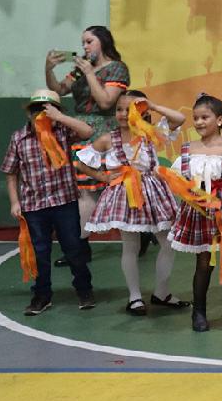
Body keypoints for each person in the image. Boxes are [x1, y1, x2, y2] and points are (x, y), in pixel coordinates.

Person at [78, 90, 186, 315]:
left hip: (153, 193)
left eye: (129, 109)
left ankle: (162, 292)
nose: (123, 114)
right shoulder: (108, 139)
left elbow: (180, 118)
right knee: (130, 246)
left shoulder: (151, 134)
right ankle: (134, 297)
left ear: (142, 112)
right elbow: (79, 163)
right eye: (119, 109)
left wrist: (152, 106)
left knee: (168, 242)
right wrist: (101, 176)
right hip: (125, 193)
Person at [1, 89, 96, 315]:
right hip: (34, 206)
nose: (40, 114)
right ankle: (42, 296)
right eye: (36, 109)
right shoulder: (19, 138)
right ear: (29, 113)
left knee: (74, 249)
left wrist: (60, 117)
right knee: (40, 253)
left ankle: (84, 290)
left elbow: (87, 131)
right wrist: (15, 202)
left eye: (46, 109)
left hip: (64, 202)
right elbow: (11, 173)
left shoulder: (62, 131)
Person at [166, 93, 222, 332]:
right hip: (199, 211)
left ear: (220, 120)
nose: (199, 122)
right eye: (195, 118)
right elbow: (180, 181)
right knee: (203, 262)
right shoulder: (188, 148)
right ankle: (199, 311)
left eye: (205, 117)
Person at [43, 25, 131, 263]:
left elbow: (106, 102)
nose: (85, 46)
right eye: (83, 42)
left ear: (103, 41)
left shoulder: (117, 68)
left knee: (113, 187)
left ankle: (140, 234)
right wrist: (48, 69)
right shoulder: (81, 68)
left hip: (105, 131)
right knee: (84, 191)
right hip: (79, 131)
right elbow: (59, 89)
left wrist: (90, 73)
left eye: (89, 41)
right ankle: (80, 248)